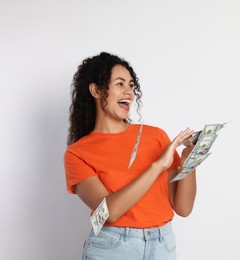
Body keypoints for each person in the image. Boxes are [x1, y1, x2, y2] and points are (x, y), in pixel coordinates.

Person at [64, 52, 197, 259]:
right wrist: (157, 166)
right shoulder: (78, 153)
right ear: (96, 90)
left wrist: (190, 159)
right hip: (112, 248)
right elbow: (108, 212)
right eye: (120, 84)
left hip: (162, 246)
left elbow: (183, 208)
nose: (129, 92)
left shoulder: (156, 136)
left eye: (131, 85)